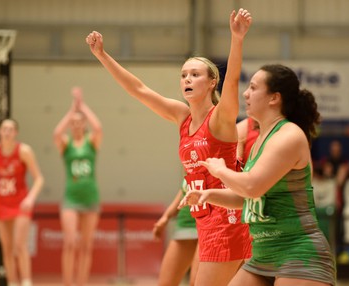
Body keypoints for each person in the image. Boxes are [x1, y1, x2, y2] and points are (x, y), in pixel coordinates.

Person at [86, 8, 252, 286]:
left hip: (228, 219)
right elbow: (139, 90)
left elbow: (233, 81)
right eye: (184, 74)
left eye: (195, 74)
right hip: (202, 218)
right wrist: (102, 55)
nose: (187, 79)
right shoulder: (182, 116)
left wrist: (237, 38)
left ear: (212, 82)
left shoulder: (221, 118)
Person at [180, 64, 336, 285]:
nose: (246, 93)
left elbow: (252, 186)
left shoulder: (289, 135)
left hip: (297, 252)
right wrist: (208, 195)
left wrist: (220, 170)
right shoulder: (260, 140)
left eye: (253, 88)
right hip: (263, 255)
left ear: (274, 98)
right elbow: (248, 199)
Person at [53, 87, 103, 286]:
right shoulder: (66, 144)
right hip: (71, 199)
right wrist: (71, 110)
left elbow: (98, 128)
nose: (75, 125)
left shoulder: (92, 142)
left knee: (86, 246)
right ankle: (67, 282)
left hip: (91, 197)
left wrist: (83, 107)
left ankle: (81, 282)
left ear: (84, 124)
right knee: (70, 243)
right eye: (72, 123)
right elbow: (57, 132)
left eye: (78, 121)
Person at [0, 118, 44, 286]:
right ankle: (12, 282)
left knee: (19, 245)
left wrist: (30, 198)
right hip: (2, 203)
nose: (7, 132)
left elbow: (39, 179)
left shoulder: (24, 151)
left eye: (10, 129)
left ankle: (26, 281)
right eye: (4, 129)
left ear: (16, 133)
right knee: (6, 248)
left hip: (21, 203)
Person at [153, 178, 198, 286]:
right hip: (186, 222)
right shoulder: (187, 161)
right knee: (166, 283)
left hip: (212, 223)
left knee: (197, 282)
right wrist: (166, 216)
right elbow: (185, 187)